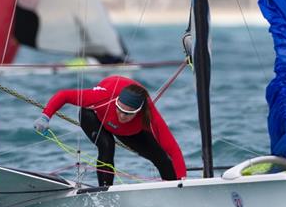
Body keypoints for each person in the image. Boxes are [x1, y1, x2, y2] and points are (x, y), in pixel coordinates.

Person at [34, 76, 186, 187]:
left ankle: (173, 189)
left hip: (130, 131)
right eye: (119, 109)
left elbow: (173, 149)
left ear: (138, 111)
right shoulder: (102, 97)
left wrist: (183, 181)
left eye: (127, 114)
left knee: (162, 159)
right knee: (107, 145)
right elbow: (64, 95)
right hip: (93, 117)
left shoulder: (150, 116)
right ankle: (105, 191)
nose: (121, 115)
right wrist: (45, 116)